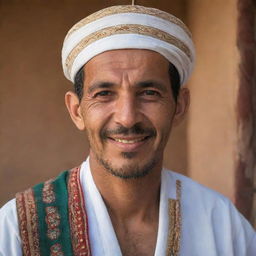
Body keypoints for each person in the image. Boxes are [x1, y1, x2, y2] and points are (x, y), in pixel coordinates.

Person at [0, 4, 255, 256]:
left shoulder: (221, 225)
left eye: (149, 93)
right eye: (104, 94)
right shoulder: (17, 230)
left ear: (179, 106)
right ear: (77, 111)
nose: (127, 117)